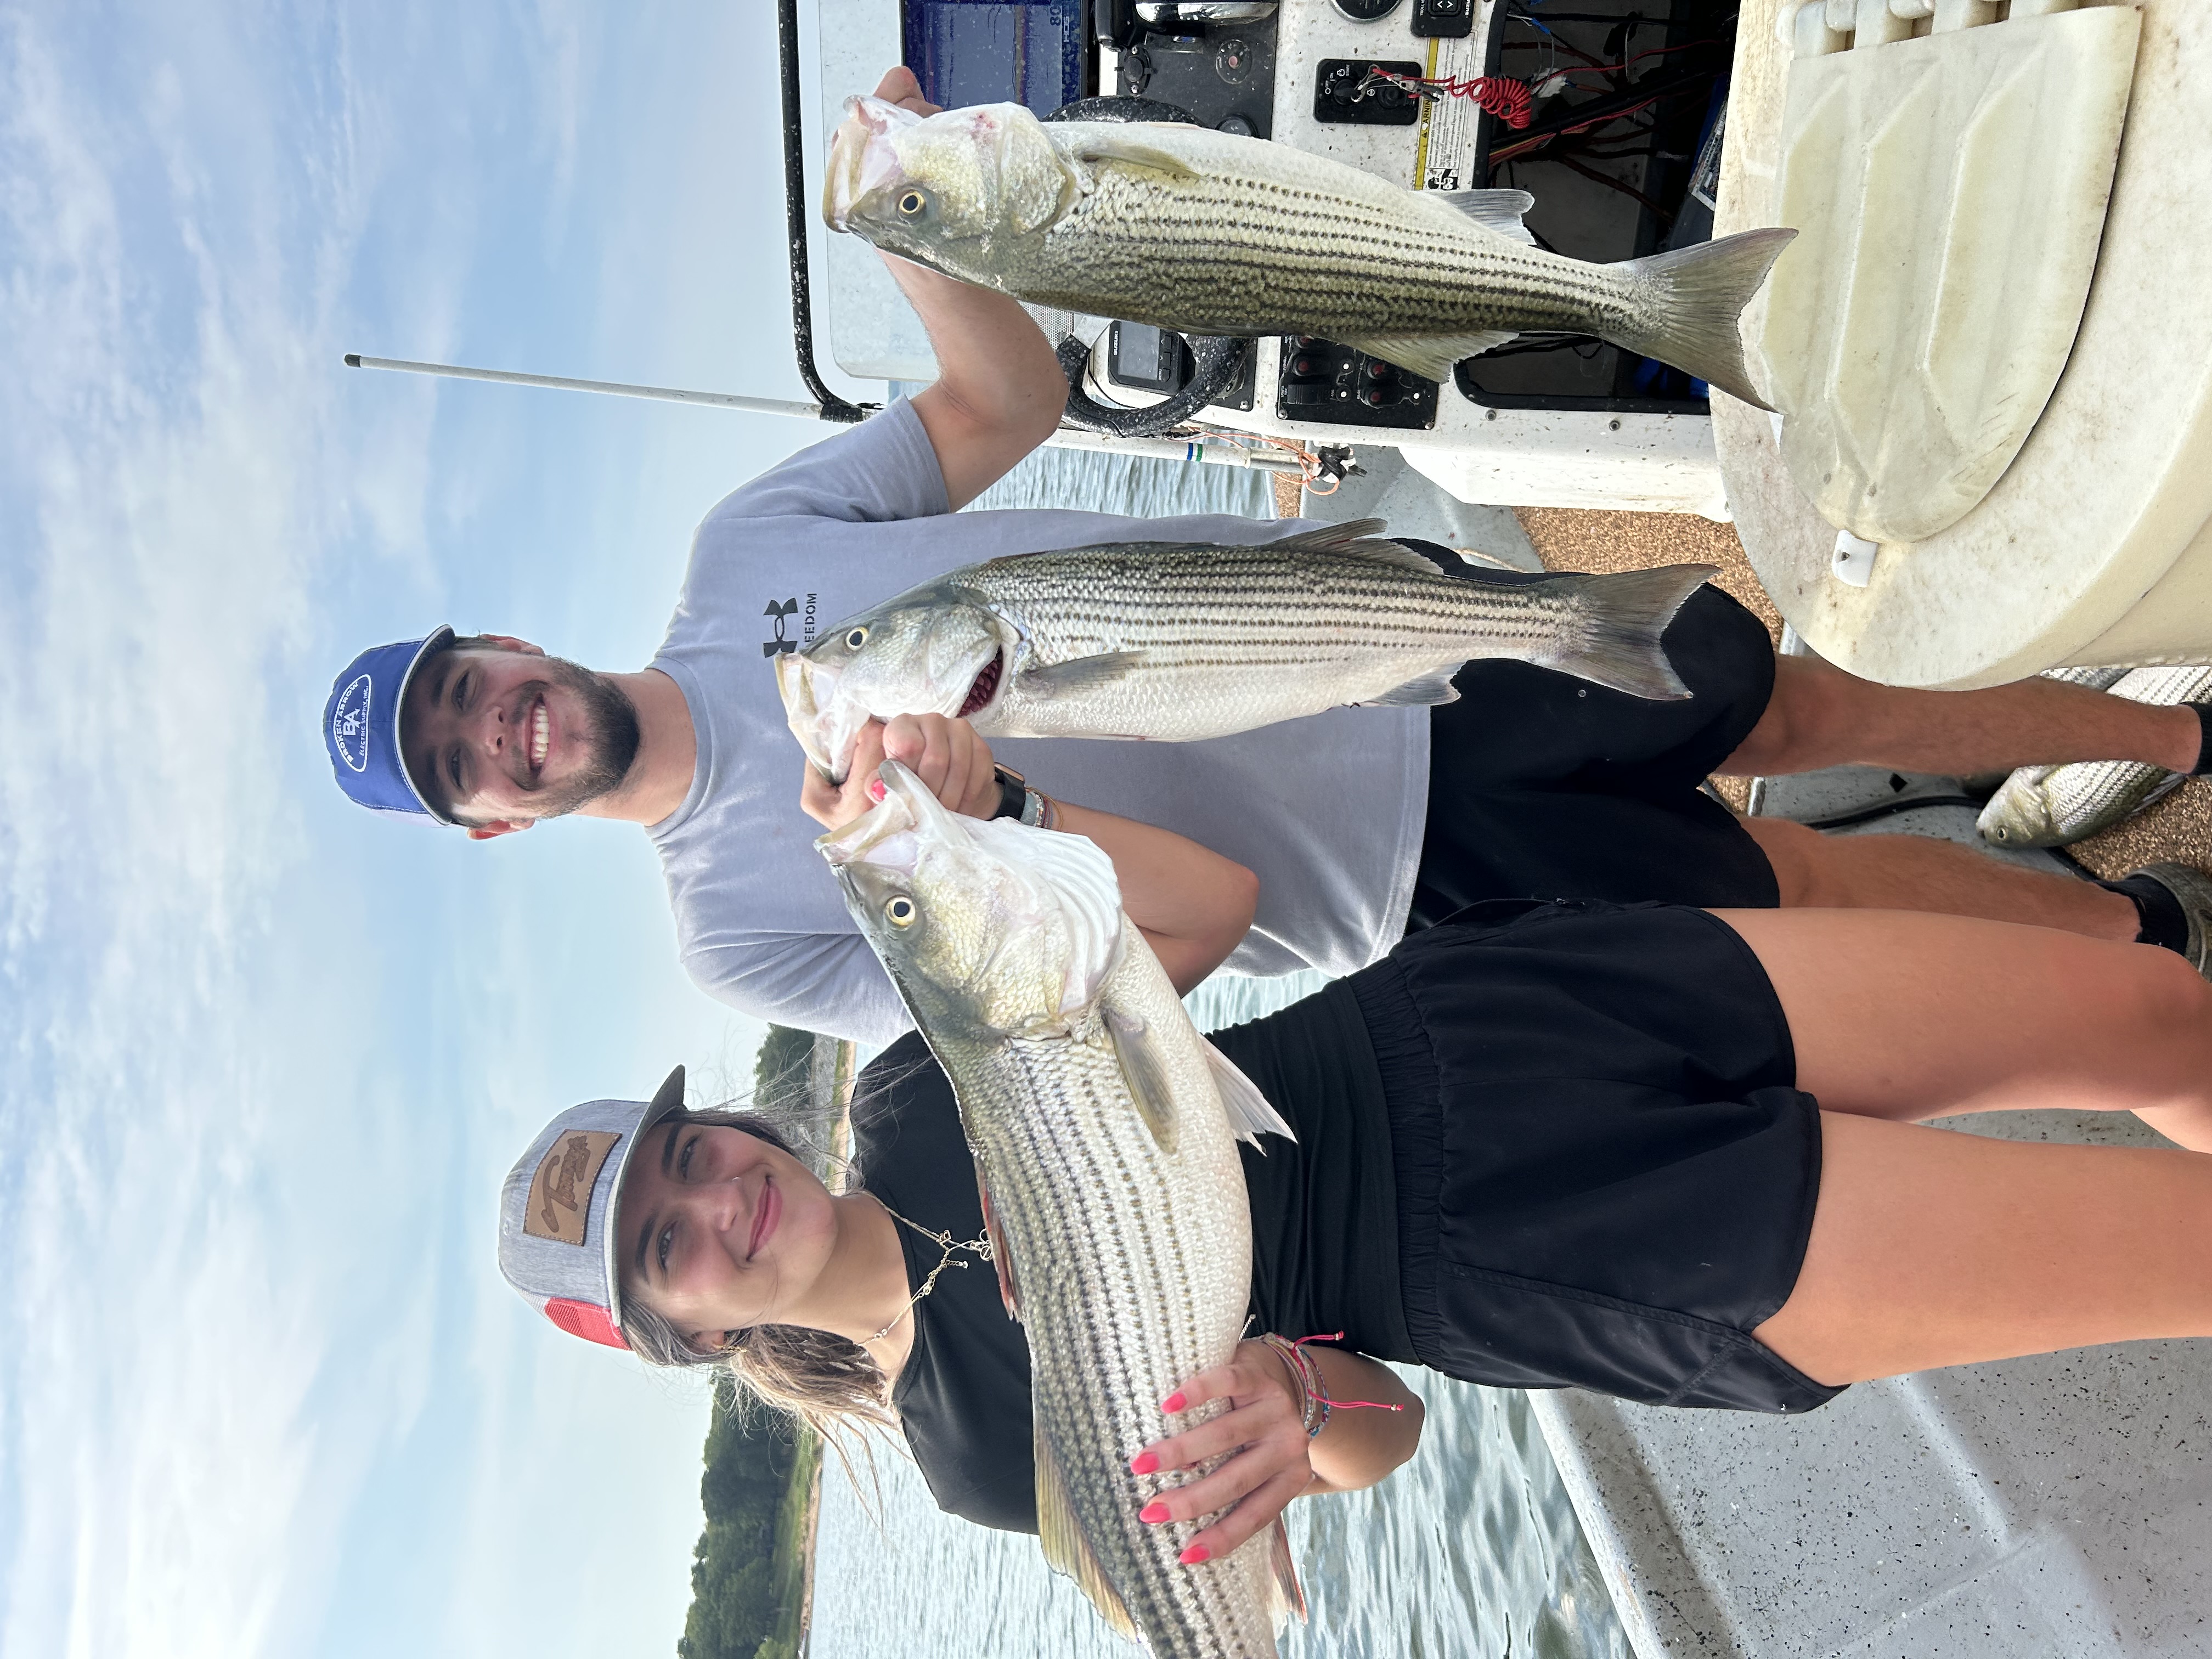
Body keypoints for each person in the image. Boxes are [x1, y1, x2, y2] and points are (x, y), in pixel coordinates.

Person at [330, 70, 2212, 1042]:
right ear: (492, 825)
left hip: (1374, 620)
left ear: (499, 642)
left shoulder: (742, 545)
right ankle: (2150, 947)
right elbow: (1072, 999)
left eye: (461, 686)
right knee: (1790, 890)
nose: (494, 726)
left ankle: (2186, 747)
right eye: (457, 763)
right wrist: (984, 827)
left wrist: (904, 203)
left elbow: (1004, 397)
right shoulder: (738, 938)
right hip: (1382, 878)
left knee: (1800, 699)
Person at [495, 785, 2212, 1564]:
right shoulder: (968, 1451)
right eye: (671, 1246)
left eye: (686, 1152)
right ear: (693, 1336)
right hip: (1546, 1252)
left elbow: (1213, 905)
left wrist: (1001, 817)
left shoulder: (914, 1083)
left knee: (2150, 1011)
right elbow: (1383, 1438)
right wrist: (1286, 1396)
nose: (718, 1197)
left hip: (1481, 1014)